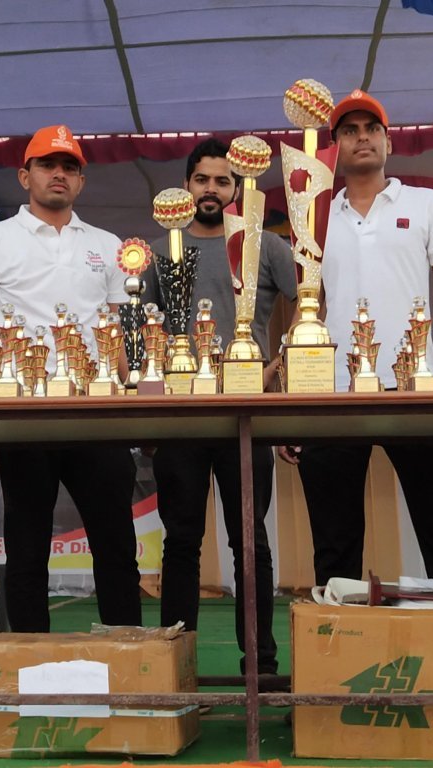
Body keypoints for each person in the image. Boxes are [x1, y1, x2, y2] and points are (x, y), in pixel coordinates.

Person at [285, 91, 433, 584]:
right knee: (334, 551)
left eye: (372, 128)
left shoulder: (426, 203)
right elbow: (308, 307)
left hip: (418, 388)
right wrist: (291, 388)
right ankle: (336, 630)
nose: (362, 137)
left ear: (388, 142)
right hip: (334, 394)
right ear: (335, 148)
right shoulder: (313, 215)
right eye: (349, 131)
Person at [0, 125, 141, 632]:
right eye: (47, 164)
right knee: (26, 548)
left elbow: (119, 340)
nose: (59, 174)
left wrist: (137, 408)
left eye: (69, 167)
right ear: (25, 176)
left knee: (116, 546)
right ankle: (28, 661)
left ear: (81, 181)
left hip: (97, 413)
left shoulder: (107, 245)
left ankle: (128, 653)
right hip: (25, 414)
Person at [140, 138, 296, 675]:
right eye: (202, 179)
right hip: (180, 418)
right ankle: (175, 666)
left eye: (222, 181)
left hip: (245, 416)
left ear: (238, 188)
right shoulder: (160, 252)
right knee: (181, 543)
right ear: (186, 186)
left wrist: (279, 368)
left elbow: (313, 304)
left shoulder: (265, 246)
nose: (211, 189)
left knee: (250, 541)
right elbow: (145, 338)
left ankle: (261, 665)